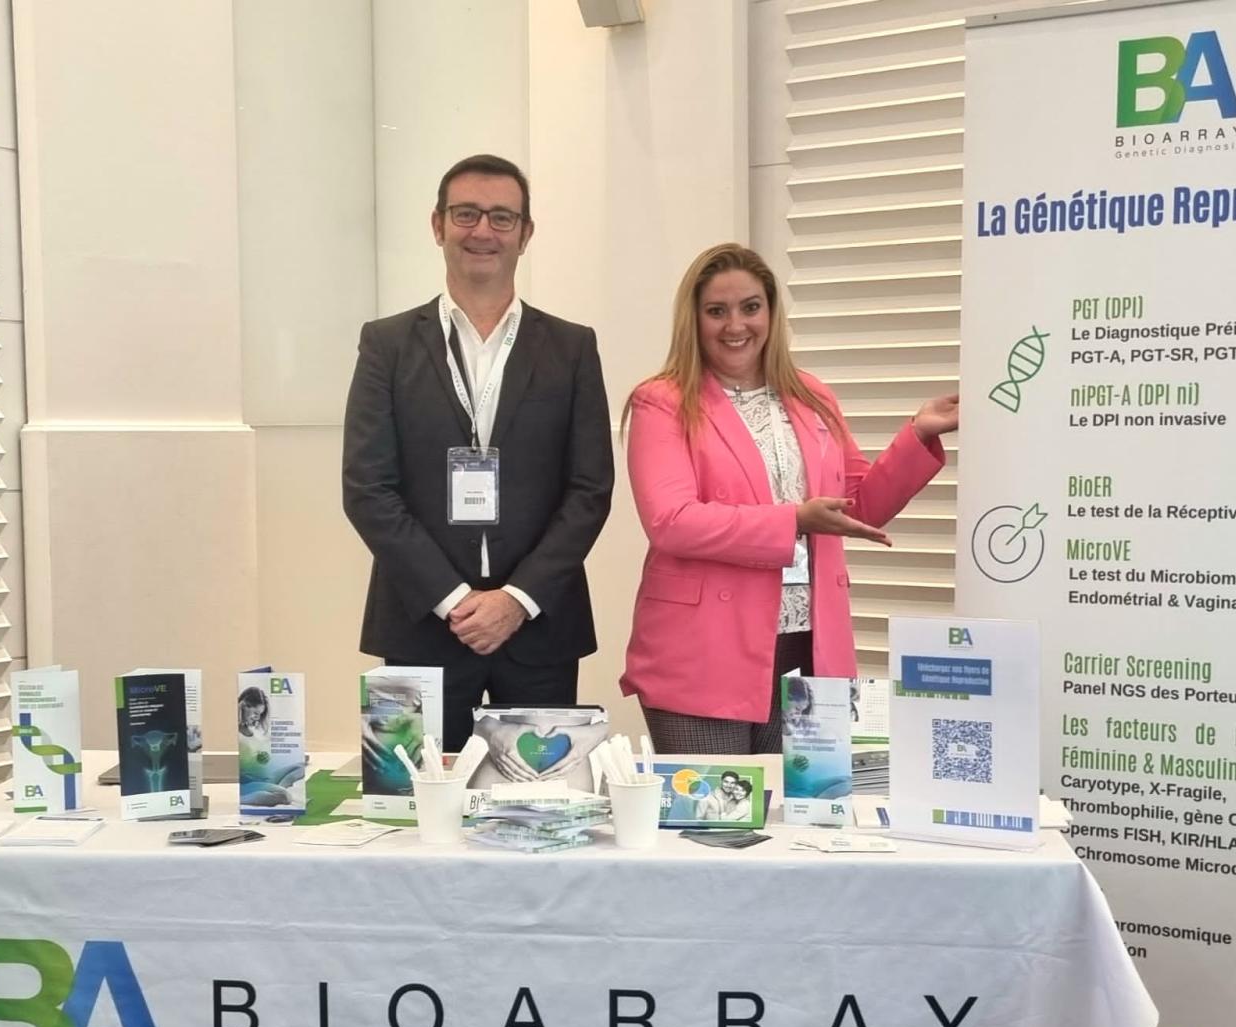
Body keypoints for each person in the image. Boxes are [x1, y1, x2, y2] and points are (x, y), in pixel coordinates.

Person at [620, 242, 957, 755]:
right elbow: (672, 522)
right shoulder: (662, 401)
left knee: (801, 805)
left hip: (808, 642)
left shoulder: (811, 394)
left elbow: (858, 507)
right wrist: (794, 519)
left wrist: (917, 435)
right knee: (716, 806)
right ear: (694, 319)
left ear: (772, 313)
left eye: (750, 307)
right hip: (705, 649)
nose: (736, 325)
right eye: (717, 311)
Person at [343, 155, 615, 751]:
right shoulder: (386, 345)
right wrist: (455, 600)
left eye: (501, 217)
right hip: (421, 624)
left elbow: (590, 490)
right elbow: (368, 489)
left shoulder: (571, 348)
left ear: (526, 233)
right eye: (466, 214)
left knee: (539, 799)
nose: (483, 231)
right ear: (438, 225)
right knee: (416, 798)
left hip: (539, 629)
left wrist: (516, 601)